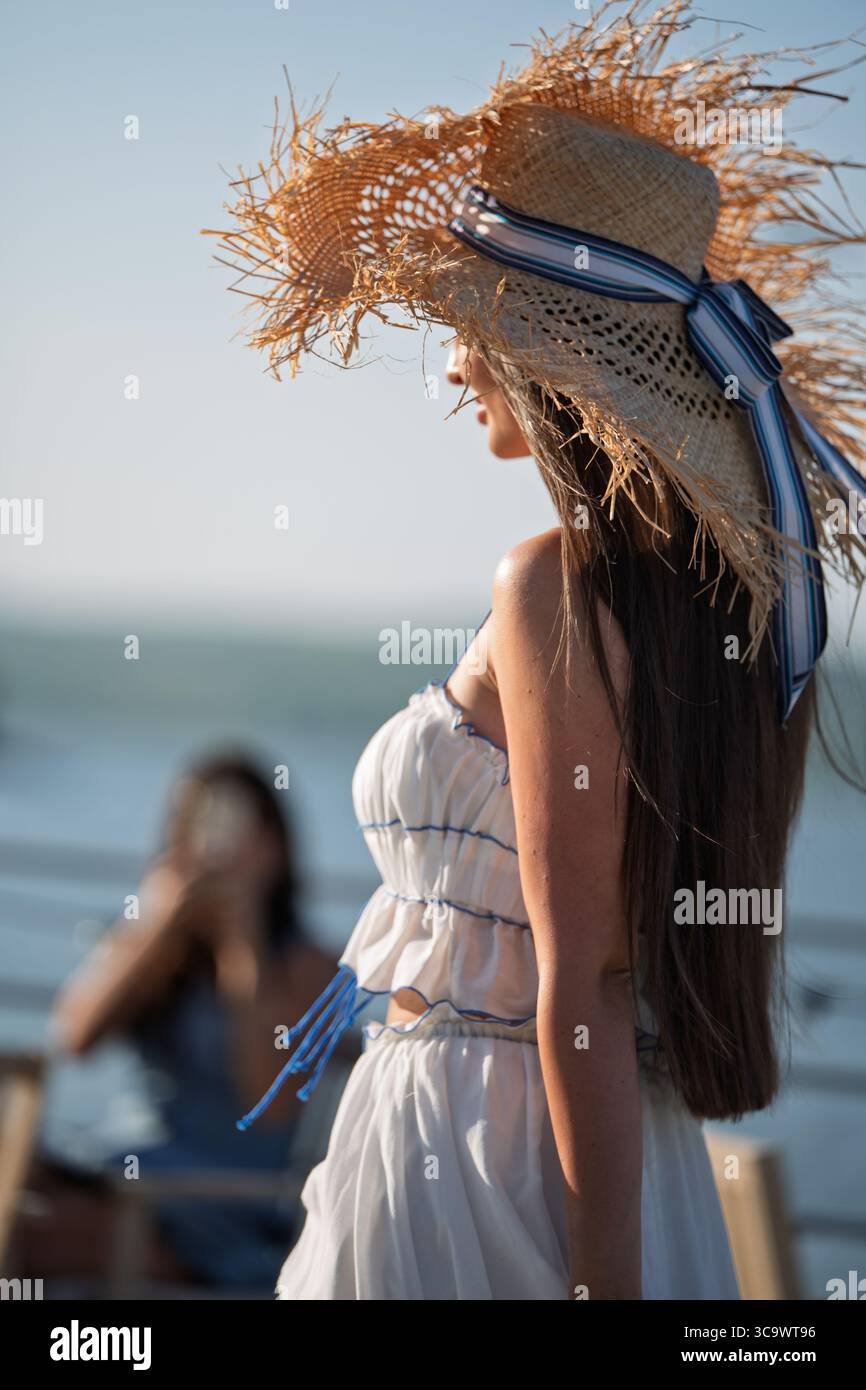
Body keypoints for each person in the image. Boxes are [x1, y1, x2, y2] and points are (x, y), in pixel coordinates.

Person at [209, 3, 866, 1299]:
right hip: (584, 1145)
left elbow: (584, 981)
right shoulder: (705, 606)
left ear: (544, 356)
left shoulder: (550, 586)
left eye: (471, 323)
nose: (454, 365)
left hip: (483, 1153)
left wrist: (599, 1281)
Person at [36, 753, 339, 1290]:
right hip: (122, 1165)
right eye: (198, 824)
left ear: (273, 848)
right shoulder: (159, 943)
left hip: (217, 1201)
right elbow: (74, 1038)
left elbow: (267, 1104)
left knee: (32, 1233)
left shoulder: (307, 965)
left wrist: (242, 943)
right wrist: (158, 925)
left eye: (236, 827)